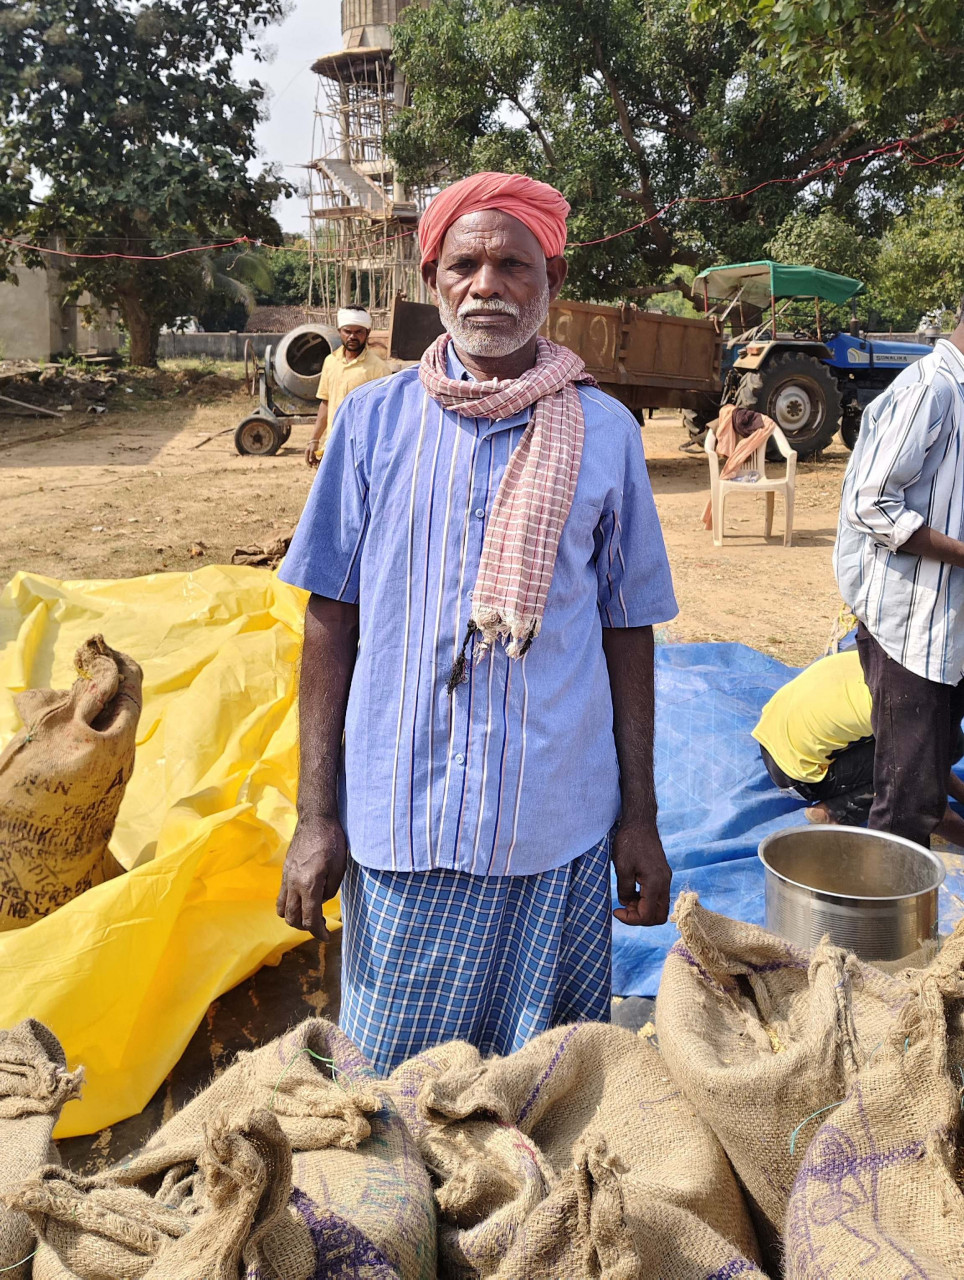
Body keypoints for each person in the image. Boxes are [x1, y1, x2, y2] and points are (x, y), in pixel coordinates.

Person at [276, 171, 678, 1075]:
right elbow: (328, 621)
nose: (486, 286)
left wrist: (640, 820)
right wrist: (315, 817)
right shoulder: (373, 423)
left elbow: (628, 629)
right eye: (465, 264)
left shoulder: (605, 433)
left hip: (553, 825)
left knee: (542, 1087)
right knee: (390, 1096)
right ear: (433, 281)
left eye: (512, 265)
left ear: (552, 283)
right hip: (404, 823)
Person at [834, 314, 964, 846]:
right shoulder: (930, 389)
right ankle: (880, 928)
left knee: (929, 777)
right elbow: (871, 504)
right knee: (906, 808)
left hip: (947, 628)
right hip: (911, 632)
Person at [753, 648, 964, 839]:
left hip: (773, 737)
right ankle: (836, 811)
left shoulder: (892, 657)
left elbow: (931, 757)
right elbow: (927, 809)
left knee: (948, 743)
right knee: (908, 774)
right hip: (795, 774)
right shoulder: (908, 706)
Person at [304, 306, 391, 467]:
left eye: (359, 332)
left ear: (368, 332)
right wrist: (314, 439)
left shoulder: (379, 368)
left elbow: (385, 412)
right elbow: (326, 402)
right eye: (348, 331)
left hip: (362, 450)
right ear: (339, 331)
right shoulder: (330, 362)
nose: (352, 336)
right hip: (332, 445)